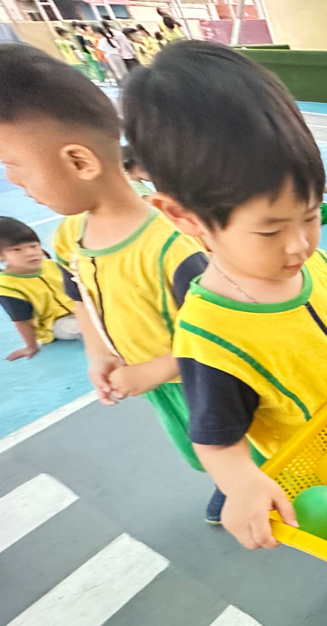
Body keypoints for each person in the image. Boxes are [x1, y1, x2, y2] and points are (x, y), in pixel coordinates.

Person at [122, 42, 327, 605]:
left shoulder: (314, 265)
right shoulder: (210, 335)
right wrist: (240, 484)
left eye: (310, 215)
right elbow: (216, 438)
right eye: (271, 230)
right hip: (322, 468)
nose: (300, 244)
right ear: (183, 217)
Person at [0, 44, 215, 507]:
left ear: (80, 161)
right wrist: (98, 351)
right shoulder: (70, 235)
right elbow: (79, 293)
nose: (13, 180)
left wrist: (157, 369)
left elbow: (223, 334)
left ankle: (249, 483)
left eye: (14, 165)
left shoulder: (172, 245)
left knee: (237, 441)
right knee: (195, 446)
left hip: (206, 379)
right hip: (154, 381)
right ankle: (225, 481)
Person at [0, 217, 79, 361]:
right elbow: (21, 320)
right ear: (1, 256)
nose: (30, 253)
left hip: (82, 310)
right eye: (17, 250)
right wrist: (31, 346)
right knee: (83, 328)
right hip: (56, 324)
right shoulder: (7, 287)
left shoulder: (51, 265)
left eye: (34, 246)